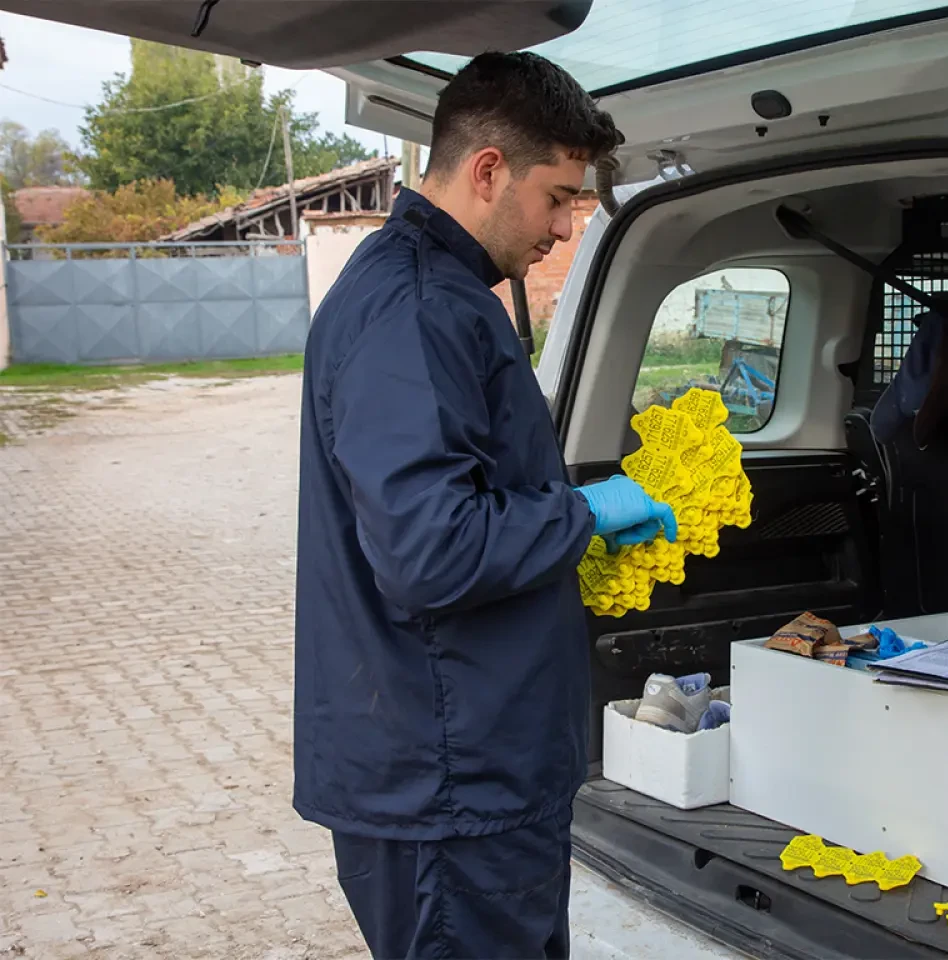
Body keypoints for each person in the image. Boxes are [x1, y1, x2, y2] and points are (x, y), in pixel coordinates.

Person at [291, 52, 677, 959]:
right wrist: (582, 517)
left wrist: (565, 509)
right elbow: (432, 551)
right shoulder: (418, 308)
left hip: (471, 770)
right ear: (488, 169)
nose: (564, 227)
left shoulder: (441, 291)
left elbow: (456, 497)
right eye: (557, 198)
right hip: (447, 789)